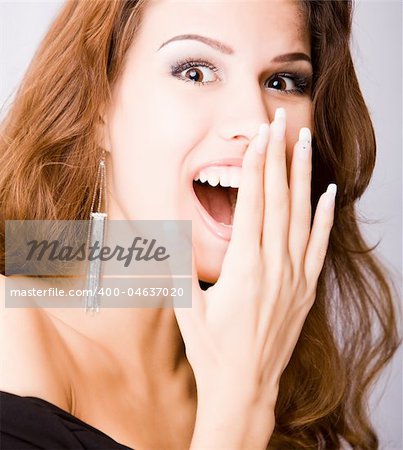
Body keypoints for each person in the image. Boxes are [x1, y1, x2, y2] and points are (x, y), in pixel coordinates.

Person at [0, 0, 401, 449]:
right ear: (98, 107)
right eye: (195, 72)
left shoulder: (280, 371)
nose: (256, 123)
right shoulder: (10, 337)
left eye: (283, 81)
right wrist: (241, 401)